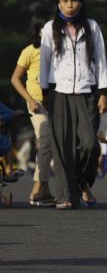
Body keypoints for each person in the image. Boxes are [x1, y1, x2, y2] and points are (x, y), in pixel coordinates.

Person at [40, 0, 107, 209]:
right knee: (62, 147)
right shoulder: (50, 28)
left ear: (81, 3)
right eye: (65, 1)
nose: (70, 5)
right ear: (59, 3)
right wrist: (44, 91)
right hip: (59, 91)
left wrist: (102, 93)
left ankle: (81, 182)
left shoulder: (91, 27)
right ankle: (65, 196)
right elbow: (45, 62)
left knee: (90, 144)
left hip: (87, 92)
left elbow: (100, 61)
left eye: (74, 0)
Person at [10, 14, 56, 206]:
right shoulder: (29, 51)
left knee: (53, 145)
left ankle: (45, 190)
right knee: (45, 141)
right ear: (38, 32)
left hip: (57, 104)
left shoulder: (59, 52)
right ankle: (37, 187)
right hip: (37, 105)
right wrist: (29, 100)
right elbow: (15, 79)